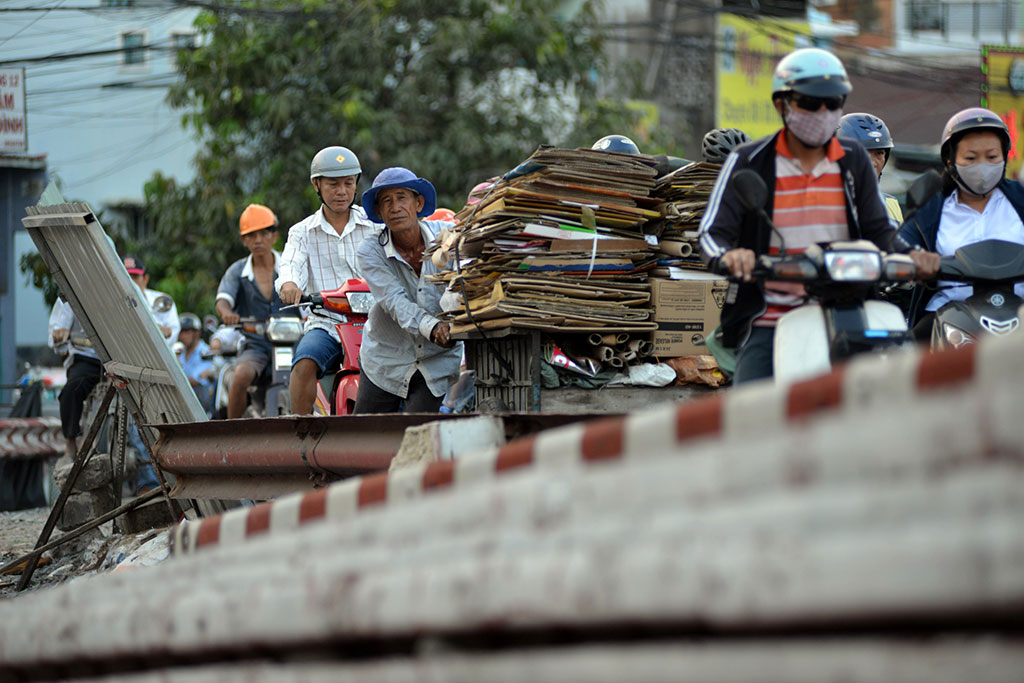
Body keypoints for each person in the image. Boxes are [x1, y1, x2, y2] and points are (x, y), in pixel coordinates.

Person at [697, 47, 903, 384]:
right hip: (770, 318)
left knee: (889, 396)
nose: (822, 112)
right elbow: (710, 232)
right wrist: (730, 256)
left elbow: (881, 229)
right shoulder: (749, 161)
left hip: (849, 311)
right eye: (810, 102)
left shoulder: (854, 161)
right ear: (782, 104)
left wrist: (912, 256)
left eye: (832, 102)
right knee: (750, 414)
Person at [896, 107, 1024, 334]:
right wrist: (915, 259)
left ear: (1004, 156)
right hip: (946, 320)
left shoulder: (1020, 199)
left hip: (1020, 320)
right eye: (971, 158)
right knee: (905, 356)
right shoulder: (931, 209)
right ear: (949, 160)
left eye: (992, 157)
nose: (983, 166)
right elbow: (900, 245)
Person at [275, 146, 378, 415]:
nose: (342, 191)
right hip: (327, 324)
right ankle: (301, 435)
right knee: (304, 364)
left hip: (377, 323)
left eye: (348, 183)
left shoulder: (376, 225)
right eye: (333, 184)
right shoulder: (302, 232)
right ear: (317, 185)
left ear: (357, 184)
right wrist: (289, 285)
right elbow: (290, 265)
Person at [353, 167, 463, 413]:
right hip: (386, 361)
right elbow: (394, 301)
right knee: (364, 437)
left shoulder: (446, 238)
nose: (395, 207)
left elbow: (464, 281)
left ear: (418, 202)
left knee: (419, 435)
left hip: (438, 361)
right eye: (386, 201)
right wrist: (433, 327)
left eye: (402, 197)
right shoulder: (371, 251)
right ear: (380, 212)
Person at [216, 203, 286, 419]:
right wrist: (226, 312)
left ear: (274, 236)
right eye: (251, 235)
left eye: (264, 233)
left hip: (292, 343)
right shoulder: (237, 271)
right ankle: (232, 433)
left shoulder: (289, 265)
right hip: (255, 344)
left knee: (312, 371)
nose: (258, 240)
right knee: (240, 376)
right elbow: (222, 300)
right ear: (244, 240)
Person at [48, 298, 102, 458]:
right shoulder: (68, 298)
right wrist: (59, 336)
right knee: (71, 390)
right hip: (87, 359)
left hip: (119, 359)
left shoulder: (121, 291)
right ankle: (71, 439)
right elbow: (56, 340)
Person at [838, 113, 903, 222]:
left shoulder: (890, 204)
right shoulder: (820, 202)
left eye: (879, 153)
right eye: (864, 152)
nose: (873, 162)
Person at [123, 256, 180, 343]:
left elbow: (173, 331)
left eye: (135, 276)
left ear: (145, 279)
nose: (131, 281)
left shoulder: (162, 299)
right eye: (126, 276)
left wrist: (163, 333)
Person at [176, 313, 216, 413]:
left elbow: (196, 380)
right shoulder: (178, 352)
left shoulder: (206, 352)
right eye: (180, 332)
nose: (182, 336)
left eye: (186, 331)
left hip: (201, 409)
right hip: (180, 406)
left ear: (197, 332)